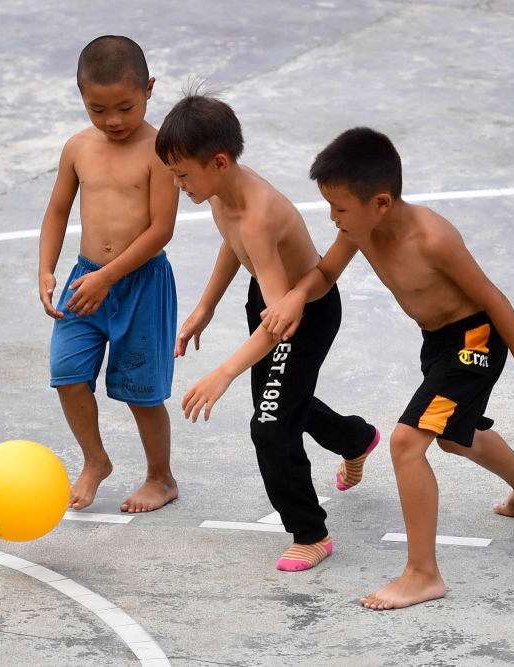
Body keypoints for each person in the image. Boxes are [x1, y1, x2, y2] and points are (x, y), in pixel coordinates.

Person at [261, 127, 514, 608]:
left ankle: (423, 573)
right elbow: (324, 273)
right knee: (450, 433)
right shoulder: (357, 230)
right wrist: (298, 294)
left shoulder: (433, 238)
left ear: (380, 202)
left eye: (339, 207)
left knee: (407, 443)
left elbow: (494, 299)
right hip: (439, 343)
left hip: (475, 340)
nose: (333, 218)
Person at [154, 95, 380, 572]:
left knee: (271, 426)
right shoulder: (220, 193)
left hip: (305, 314)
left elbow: (282, 326)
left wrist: (224, 372)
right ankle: (355, 439)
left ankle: (310, 534)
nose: (177, 185)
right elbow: (232, 247)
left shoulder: (258, 215)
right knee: (283, 405)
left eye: (182, 175)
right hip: (270, 304)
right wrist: (204, 308)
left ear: (218, 162)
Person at [38, 35, 179, 514]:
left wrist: (108, 278)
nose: (113, 120)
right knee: (67, 373)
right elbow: (57, 211)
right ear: (81, 96)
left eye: (125, 106)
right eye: (98, 109)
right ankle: (96, 460)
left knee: (142, 392)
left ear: (150, 89)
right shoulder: (77, 148)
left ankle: (161, 478)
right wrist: (45, 269)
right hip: (84, 279)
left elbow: (161, 230)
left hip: (141, 283)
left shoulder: (161, 149)